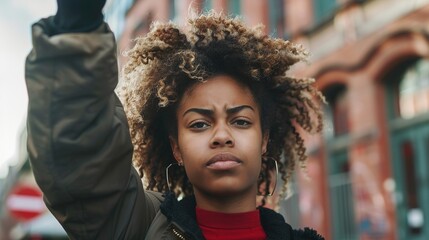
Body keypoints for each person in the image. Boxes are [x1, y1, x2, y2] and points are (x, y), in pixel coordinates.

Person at [25, 0, 325, 239]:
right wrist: (78, 24)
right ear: (176, 148)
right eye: (199, 124)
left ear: (265, 140)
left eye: (241, 121)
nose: (222, 135)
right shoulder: (136, 227)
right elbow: (83, 163)